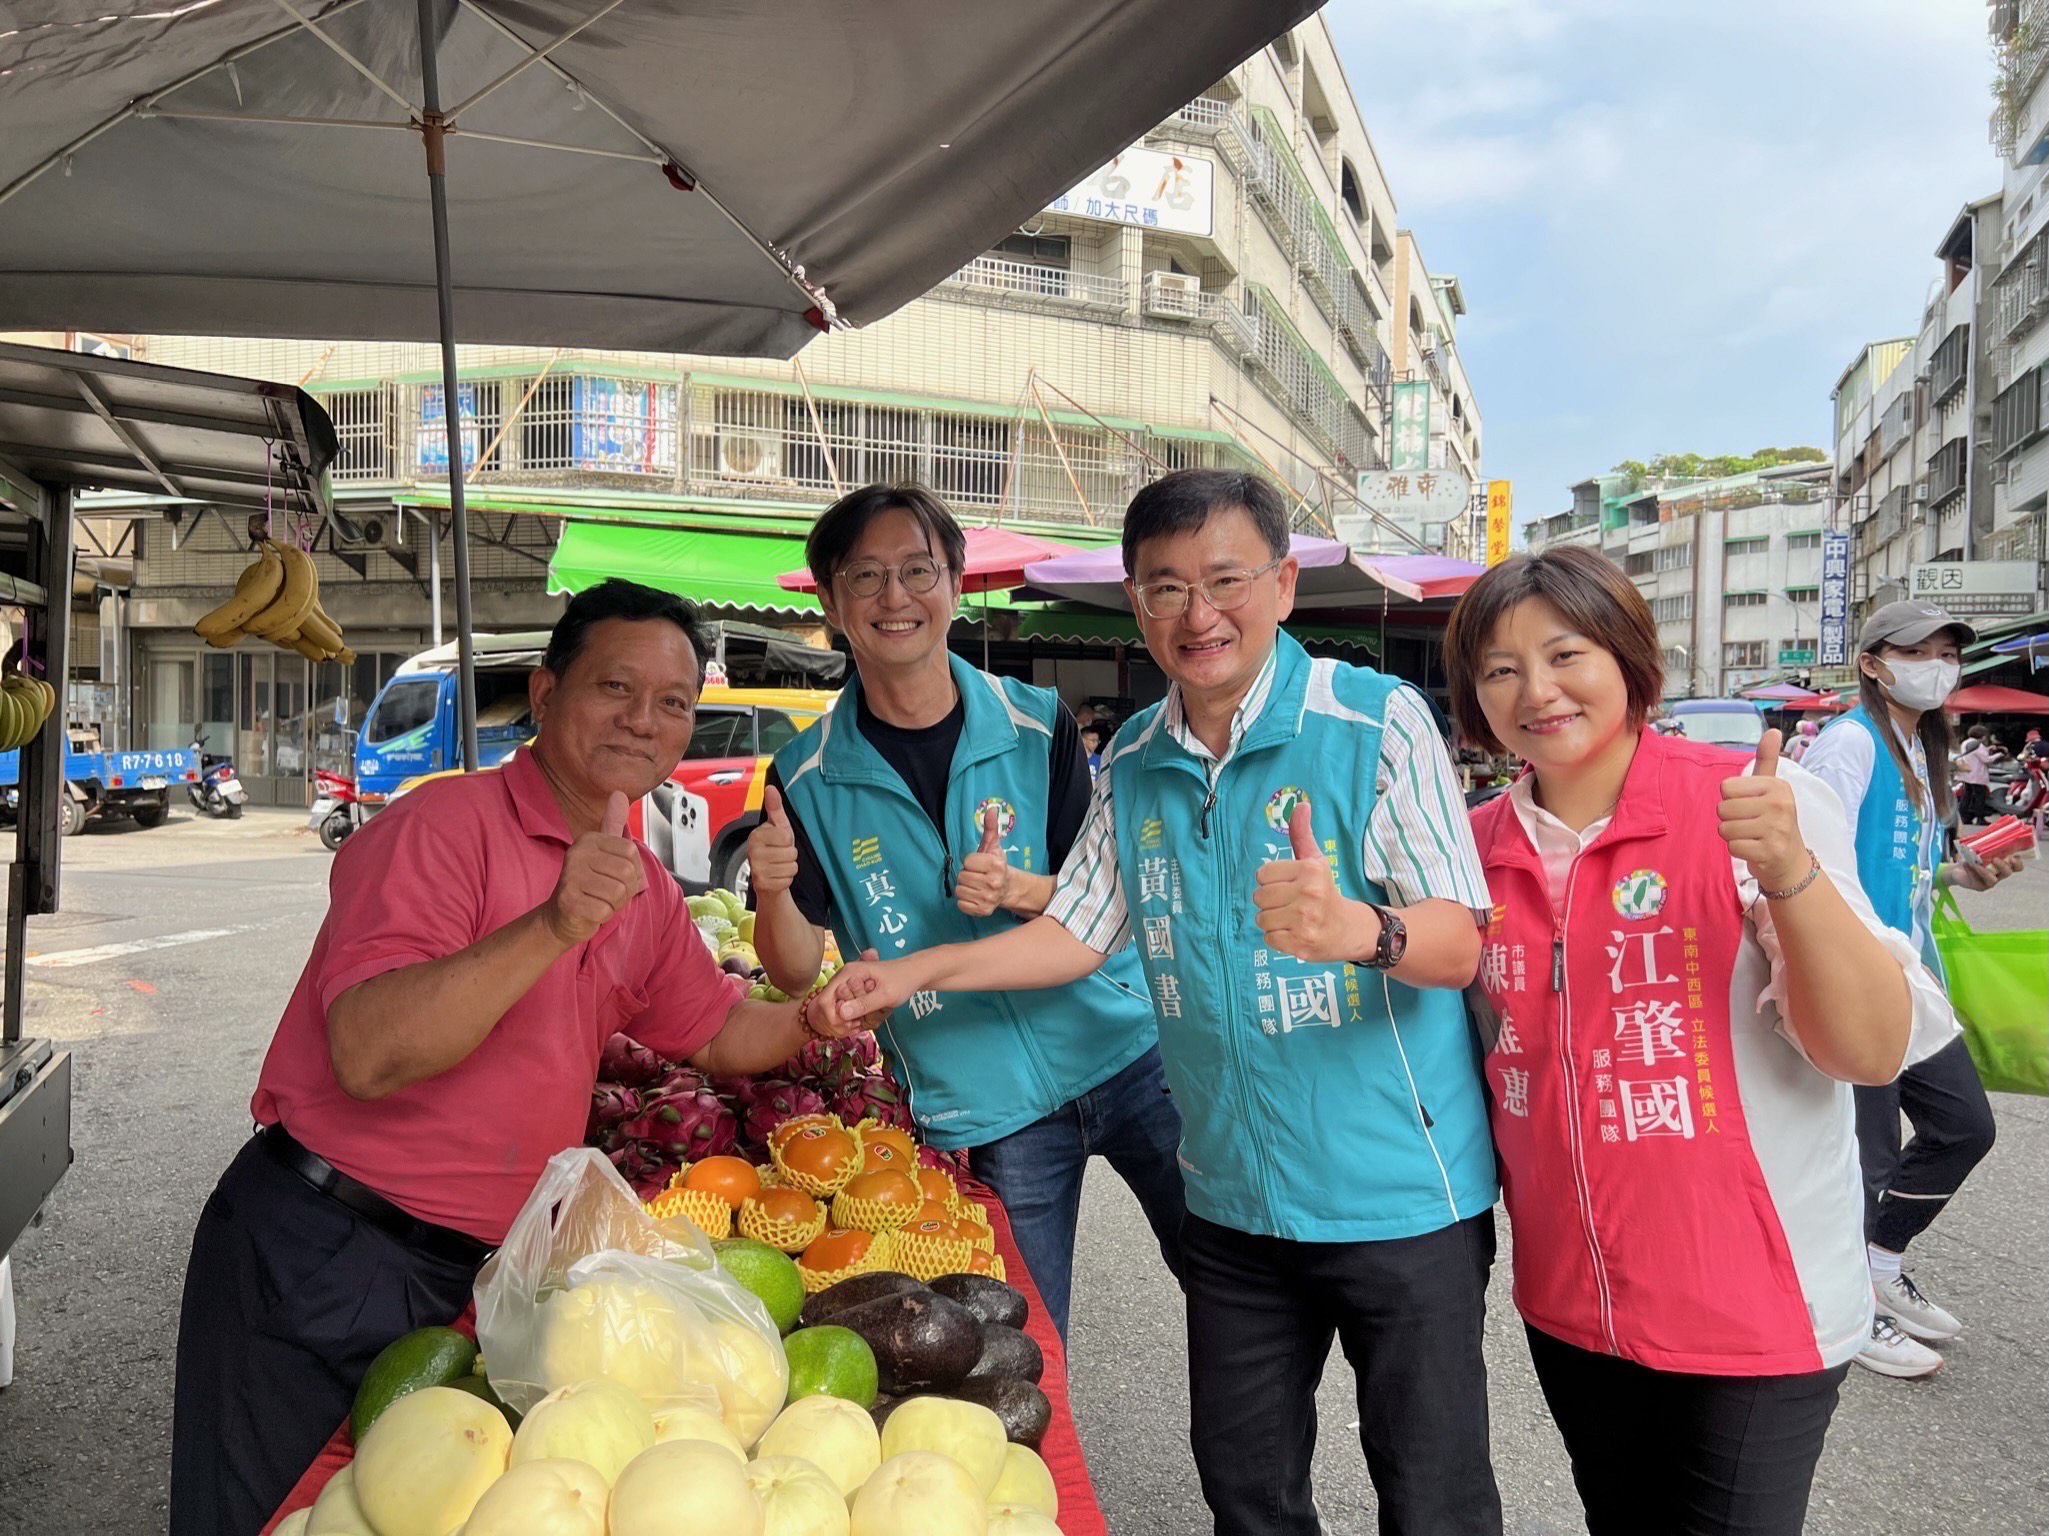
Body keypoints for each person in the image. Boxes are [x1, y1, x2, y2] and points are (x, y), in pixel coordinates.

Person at [817, 468, 1503, 1536]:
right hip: (1229, 1197)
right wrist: (913, 972)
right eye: (1166, 588)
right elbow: (1076, 931)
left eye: (1225, 580)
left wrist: (1362, 930)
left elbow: (1462, 940)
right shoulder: (1133, 755)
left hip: (1398, 1196)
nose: (1198, 614)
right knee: (1246, 1487)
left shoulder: (1375, 721)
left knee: (1433, 1494)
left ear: (1281, 583)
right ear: (1136, 604)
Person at [171, 580, 836, 1535]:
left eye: (674, 703)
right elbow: (367, 1052)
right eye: (615, 688)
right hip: (321, 1250)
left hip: (478, 1280)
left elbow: (720, 1033)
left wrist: (815, 1017)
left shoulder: (644, 886)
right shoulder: (438, 830)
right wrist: (554, 923)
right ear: (545, 692)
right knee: (274, 1517)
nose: (645, 721)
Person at [1444, 548, 1957, 1536]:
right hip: (1572, 1305)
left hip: (1754, 1315)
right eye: (1500, 669)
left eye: (1565, 654)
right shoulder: (1469, 851)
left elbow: (1871, 1050)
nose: (1536, 691)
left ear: (1630, 659)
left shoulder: (1757, 805)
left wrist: (1790, 873)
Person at [745, 484, 1185, 1339]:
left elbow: (1094, 907)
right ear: (831, 605)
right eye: (864, 578)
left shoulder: (1034, 723)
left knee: (1231, 1289)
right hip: (985, 1100)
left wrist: (1018, 889)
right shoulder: (802, 777)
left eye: (917, 569)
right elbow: (794, 972)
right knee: (1014, 1337)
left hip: (1129, 1052)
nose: (894, 597)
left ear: (955, 583)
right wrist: (770, 887)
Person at [1801, 601, 2024, 1379]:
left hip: (1909, 977)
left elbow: (1906, 869)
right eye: (1916, 650)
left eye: (1945, 653)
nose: (1936, 664)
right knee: (1863, 1156)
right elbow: (1812, 865)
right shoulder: (1847, 746)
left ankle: (1878, 1259)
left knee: (1963, 1127)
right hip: (1854, 978)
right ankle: (1851, 1310)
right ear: (1871, 662)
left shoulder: (1923, 748)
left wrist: (1965, 872)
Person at [1954, 724, 1997, 825]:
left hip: (1967, 774)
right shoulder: (1978, 744)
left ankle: (1964, 817)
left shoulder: (1965, 742)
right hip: (1977, 775)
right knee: (1980, 796)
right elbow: (1986, 759)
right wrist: (1998, 755)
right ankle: (1980, 818)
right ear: (1981, 735)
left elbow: (1973, 754)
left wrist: (1988, 749)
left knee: (1966, 795)